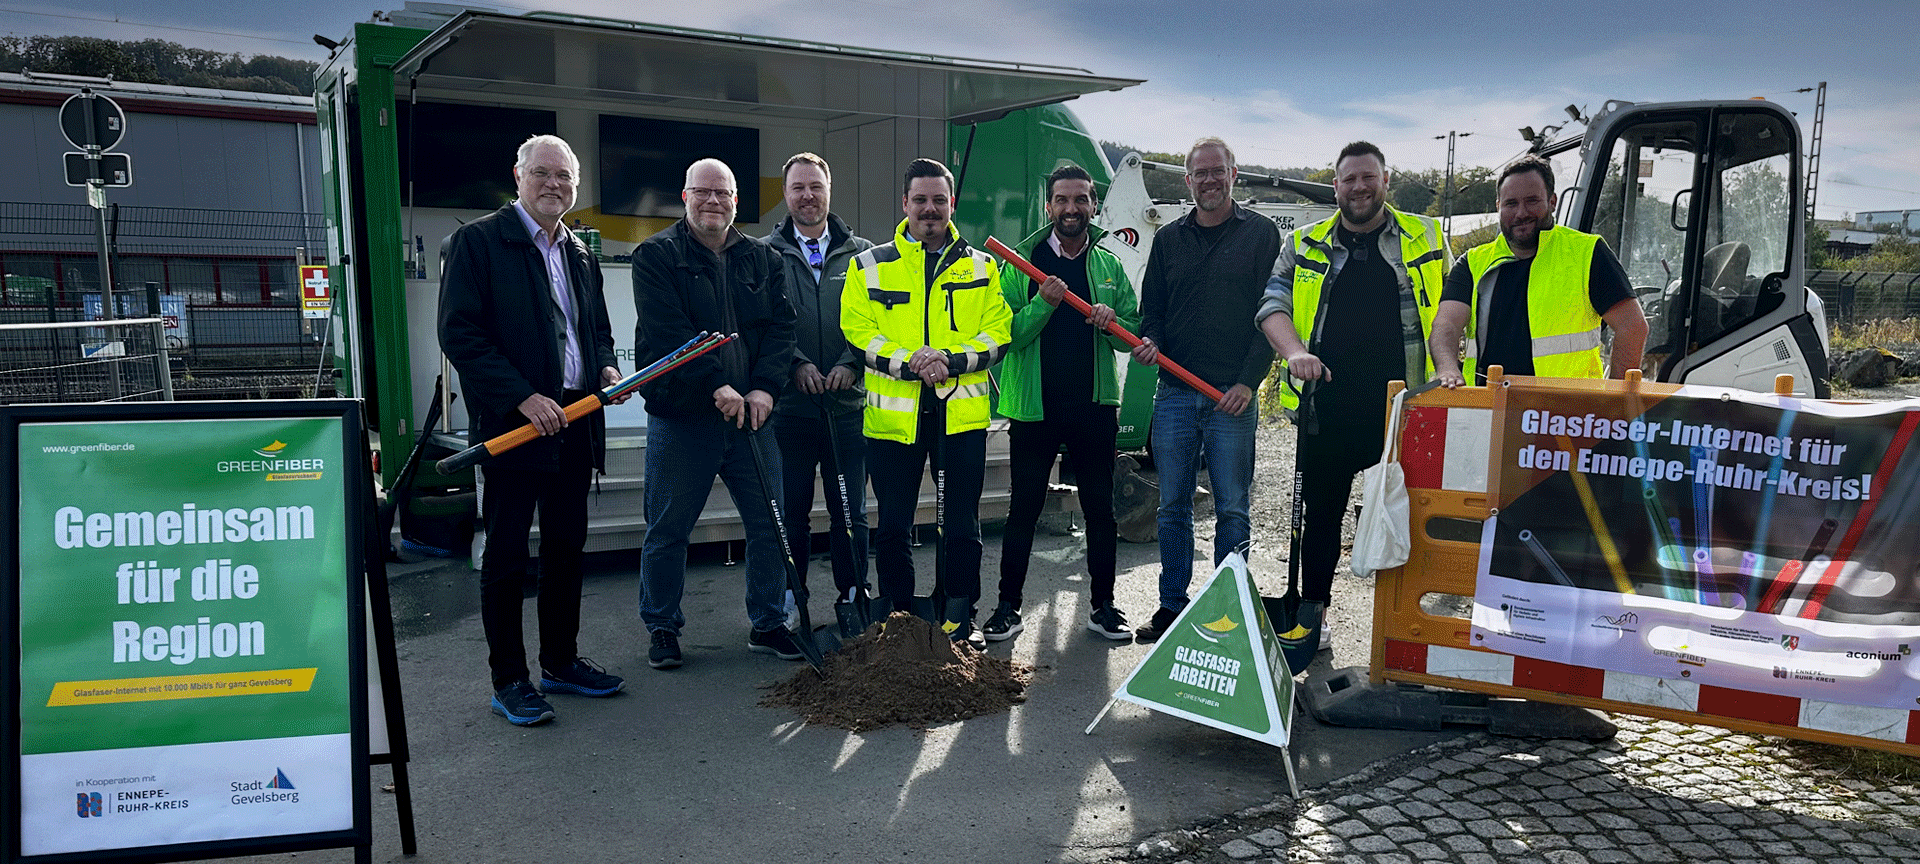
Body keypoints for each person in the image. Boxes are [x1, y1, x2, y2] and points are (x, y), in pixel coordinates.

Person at [438, 134, 626, 726]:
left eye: (565, 177)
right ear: (517, 176)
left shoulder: (579, 253)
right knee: (509, 554)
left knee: (568, 546)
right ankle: (510, 680)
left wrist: (606, 367)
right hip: (514, 430)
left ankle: (561, 663)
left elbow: (593, 327)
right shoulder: (479, 243)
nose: (555, 185)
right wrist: (522, 397)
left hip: (576, 420)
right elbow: (460, 335)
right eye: (542, 173)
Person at [1255, 141, 1450, 648]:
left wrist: (1449, 369)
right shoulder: (1304, 242)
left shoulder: (1424, 236)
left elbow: (1452, 307)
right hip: (1329, 407)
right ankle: (1311, 620)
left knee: (1408, 517)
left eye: (1369, 177)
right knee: (1320, 519)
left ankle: (1408, 631)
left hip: (1406, 410)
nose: (1359, 187)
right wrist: (1294, 351)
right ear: (1335, 185)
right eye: (1349, 179)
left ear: (1386, 180)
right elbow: (1272, 304)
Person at [632, 157, 799, 670]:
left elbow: (780, 331)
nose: (712, 201)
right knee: (667, 530)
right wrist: (716, 386)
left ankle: (768, 622)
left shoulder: (763, 259)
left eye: (722, 194)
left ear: (736, 202)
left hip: (753, 418)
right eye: (701, 192)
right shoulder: (655, 256)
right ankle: (662, 627)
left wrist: (766, 390)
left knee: (770, 526)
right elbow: (667, 334)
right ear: (685, 197)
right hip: (683, 419)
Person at [840, 157, 1011, 646]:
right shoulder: (868, 265)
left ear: (951, 204)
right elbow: (858, 333)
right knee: (893, 526)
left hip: (960, 418)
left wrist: (950, 360)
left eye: (939, 200)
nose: (930, 209)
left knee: (961, 525)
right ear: (905, 204)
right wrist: (909, 361)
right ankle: (898, 619)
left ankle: (959, 617)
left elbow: (998, 332)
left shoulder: (982, 266)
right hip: (894, 423)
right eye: (920, 200)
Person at [1129, 137, 1279, 644]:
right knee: (1172, 505)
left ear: (1234, 174)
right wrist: (1150, 342)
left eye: (1219, 171)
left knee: (1232, 506)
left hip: (1231, 397)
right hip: (1174, 393)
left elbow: (1273, 314)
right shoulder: (1169, 240)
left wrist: (1248, 382)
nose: (1210, 181)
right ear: (1187, 181)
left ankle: (1228, 612)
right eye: (1200, 174)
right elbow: (1155, 312)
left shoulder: (1260, 236)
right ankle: (1172, 606)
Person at [985, 163, 1139, 642]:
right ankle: (1007, 608)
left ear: (1093, 205)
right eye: (1062, 200)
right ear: (1048, 206)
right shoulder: (1020, 262)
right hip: (1035, 408)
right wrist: (1044, 303)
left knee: (1100, 509)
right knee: (1024, 509)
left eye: (1081, 200)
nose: (1072, 209)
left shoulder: (1109, 266)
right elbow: (1004, 334)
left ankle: (1104, 606)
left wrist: (1114, 321)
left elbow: (1130, 338)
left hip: (1093, 409)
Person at [762, 153, 876, 631]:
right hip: (789, 411)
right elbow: (761, 325)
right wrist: (795, 366)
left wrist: (853, 363)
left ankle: (853, 594)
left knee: (849, 507)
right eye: (797, 188)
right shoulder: (762, 253)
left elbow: (878, 322)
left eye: (815, 186)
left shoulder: (866, 254)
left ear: (830, 190)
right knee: (790, 512)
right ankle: (792, 596)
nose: (807, 196)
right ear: (785, 195)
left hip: (847, 408)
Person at [1430, 155, 1648, 386]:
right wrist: (1447, 368)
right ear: (1498, 207)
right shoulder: (1473, 263)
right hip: (1488, 407)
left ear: (1552, 202)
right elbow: (1447, 324)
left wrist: (1615, 399)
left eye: (1532, 201)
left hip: (1564, 415)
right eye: (1511, 203)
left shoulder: (1587, 252)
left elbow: (1632, 327)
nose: (1521, 213)